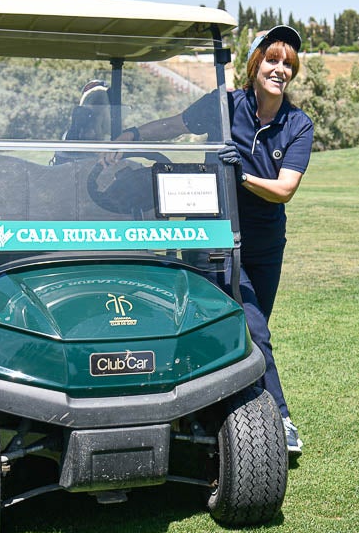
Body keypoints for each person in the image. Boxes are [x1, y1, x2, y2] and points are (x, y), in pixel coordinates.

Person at [119, 25, 313, 456]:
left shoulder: (297, 124)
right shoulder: (226, 107)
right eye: (272, 59)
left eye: (287, 63)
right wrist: (124, 140)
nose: (279, 69)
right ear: (254, 62)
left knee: (247, 327)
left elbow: (284, 189)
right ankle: (278, 418)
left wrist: (238, 174)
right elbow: (172, 126)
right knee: (254, 329)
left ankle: (220, 406)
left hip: (264, 245)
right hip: (215, 237)